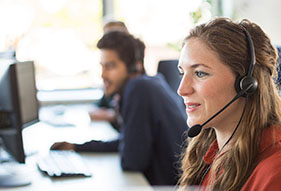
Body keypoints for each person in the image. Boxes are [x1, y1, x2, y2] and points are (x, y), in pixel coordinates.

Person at [177, 17, 281, 191]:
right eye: (182, 73)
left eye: (200, 73)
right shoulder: (213, 154)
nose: (182, 89)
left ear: (245, 84)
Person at [51, 31, 188, 186]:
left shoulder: (139, 89)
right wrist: (76, 147)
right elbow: (128, 141)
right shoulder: (148, 84)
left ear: (131, 68)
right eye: (102, 67)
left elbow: (132, 161)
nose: (103, 75)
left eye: (110, 66)